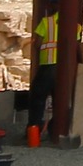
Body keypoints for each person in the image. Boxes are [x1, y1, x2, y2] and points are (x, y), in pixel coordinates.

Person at [25, 8, 60, 141]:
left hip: (48, 65)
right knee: (61, 100)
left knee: (37, 97)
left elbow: (37, 44)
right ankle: (55, 129)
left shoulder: (46, 22)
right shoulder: (76, 26)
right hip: (64, 69)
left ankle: (34, 129)